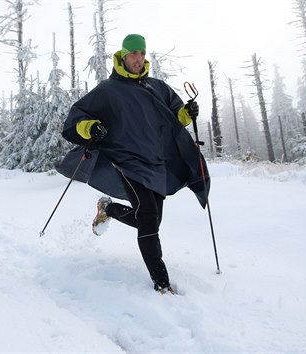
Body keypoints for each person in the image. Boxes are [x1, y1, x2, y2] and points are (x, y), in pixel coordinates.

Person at [58, 34, 210, 294]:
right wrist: (91, 127)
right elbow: (75, 119)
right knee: (149, 217)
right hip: (125, 161)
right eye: (133, 53)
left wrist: (187, 113)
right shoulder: (108, 90)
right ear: (122, 56)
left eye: (141, 53)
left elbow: (175, 118)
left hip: (155, 163)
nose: (138, 58)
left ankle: (109, 209)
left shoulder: (157, 87)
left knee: (150, 220)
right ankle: (161, 283)